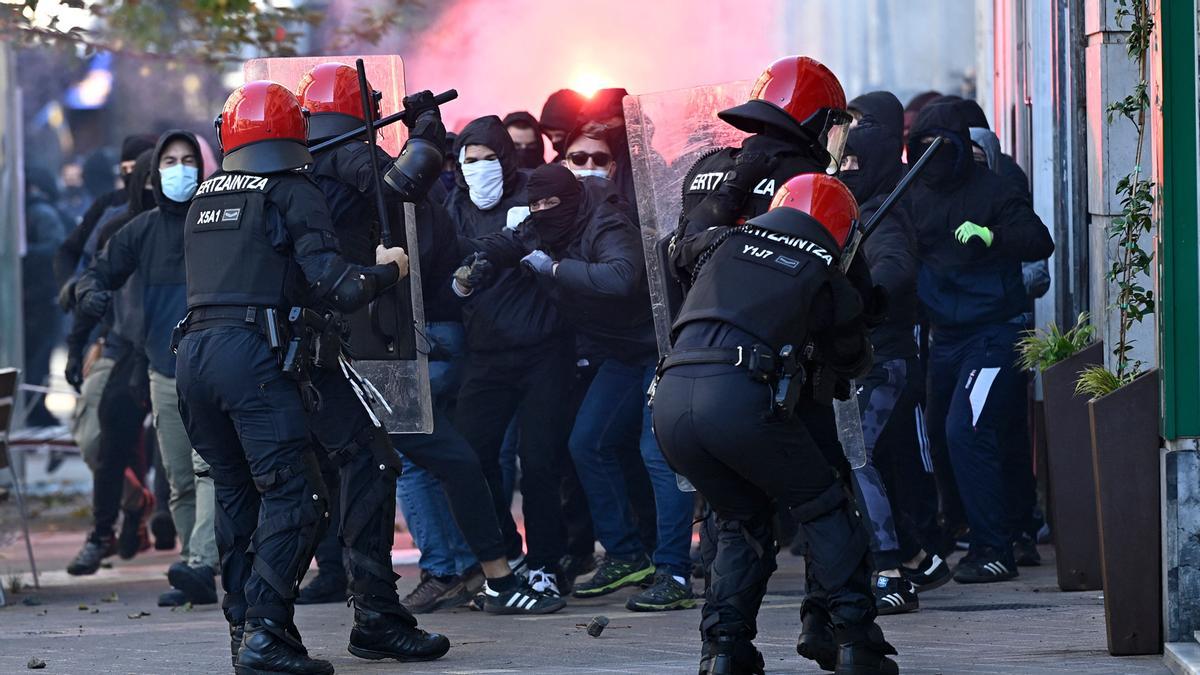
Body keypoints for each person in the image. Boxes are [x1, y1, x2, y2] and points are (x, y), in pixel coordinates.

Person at [175, 81, 449, 673]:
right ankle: (271, 634)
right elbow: (339, 285)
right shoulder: (292, 190)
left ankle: (255, 627)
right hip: (263, 360)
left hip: (196, 360)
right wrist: (386, 272)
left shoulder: (205, 194)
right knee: (299, 492)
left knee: (240, 489)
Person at [296, 63, 564, 617]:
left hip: (326, 341)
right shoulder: (350, 155)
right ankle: (484, 576)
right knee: (438, 459)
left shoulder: (298, 169)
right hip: (363, 339)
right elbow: (405, 184)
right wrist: (425, 131)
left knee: (380, 465)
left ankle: (439, 583)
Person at [654, 173, 897, 675]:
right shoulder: (821, 265)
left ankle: (723, 650)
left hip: (670, 401)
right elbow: (849, 359)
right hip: (739, 397)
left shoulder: (722, 242)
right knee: (825, 506)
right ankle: (857, 642)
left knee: (739, 520)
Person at [457, 164, 696, 613]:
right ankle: (626, 556)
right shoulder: (540, 224)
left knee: (655, 452)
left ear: (571, 198)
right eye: (537, 204)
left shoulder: (605, 222)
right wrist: (475, 260)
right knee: (587, 443)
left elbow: (621, 277)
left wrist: (555, 268)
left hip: (661, 345)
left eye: (552, 203)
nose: (545, 212)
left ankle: (675, 571)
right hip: (622, 353)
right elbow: (506, 243)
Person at [905, 101, 1054, 584]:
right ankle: (963, 529)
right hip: (945, 337)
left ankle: (996, 548)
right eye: (920, 149)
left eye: (938, 149)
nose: (930, 159)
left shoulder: (995, 187)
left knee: (966, 429)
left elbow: (1038, 240)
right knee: (940, 439)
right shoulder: (910, 194)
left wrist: (991, 235)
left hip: (995, 332)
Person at [73, 130, 220, 607]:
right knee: (179, 479)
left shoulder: (220, 222)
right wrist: (89, 294)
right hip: (162, 370)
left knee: (210, 470)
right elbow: (96, 273)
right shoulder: (139, 230)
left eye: (188, 160)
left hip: (215, 367)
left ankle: (201, 562)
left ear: (204, 167)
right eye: (170, 161)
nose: (179, 169)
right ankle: (196, 572)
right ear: (155, 173)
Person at [445, 115, 575, 601]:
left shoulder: (531, 196)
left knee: (538, 461)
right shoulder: (453, 206)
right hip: (486, 353)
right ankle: (506, 554)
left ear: (507, 156)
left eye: (489, 158)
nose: (479, 169)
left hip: (545, 349)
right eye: (469, 160)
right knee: (471, 455)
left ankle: (545, 562)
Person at [840, 91, 951, 615]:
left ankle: (887, 569)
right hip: (863, 358)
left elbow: (893, 267)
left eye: (857, 161)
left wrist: (856, 297)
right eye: (843, 161)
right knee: (883, 461)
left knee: (855, 454)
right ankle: (916, 556)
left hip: (882, 358)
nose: (848, 168)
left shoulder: (885, 215)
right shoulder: (856, 209)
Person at [65, 149, 158, 575]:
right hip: (122, 347)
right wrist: (82, 343)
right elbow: (91, 283)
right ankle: (105, 528)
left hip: (179, 348)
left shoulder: (198, 225)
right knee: (103, 437)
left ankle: (201, 547)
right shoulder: (118, 227)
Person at [21, 166, 70, 427]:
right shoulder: (35, 212)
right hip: (36, 299)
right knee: (36, 358)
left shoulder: (40, 213)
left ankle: (36, 409)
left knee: (38, 359)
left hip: (40, 298)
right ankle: (34, 410)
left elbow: (55, 248)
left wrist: (23, 253)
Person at [538, 88, 586, 159]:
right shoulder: (554, 166)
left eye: (559, 135)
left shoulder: (599, 164)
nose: (554, 141)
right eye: (549, 136)